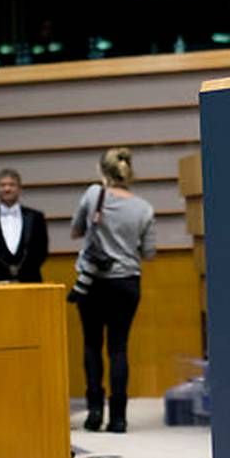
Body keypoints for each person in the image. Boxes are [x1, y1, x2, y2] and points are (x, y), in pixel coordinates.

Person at [71, 147, 156, 433]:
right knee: (119, 348)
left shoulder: (94, 195)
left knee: (91, 345)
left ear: (102, 171)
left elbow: (76, 230)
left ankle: (94, 412)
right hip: (127, 282)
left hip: (93, 282)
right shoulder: (144, 208)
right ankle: (119, 417)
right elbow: (149, 252)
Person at [0, 168, 49, 283]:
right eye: (2, 185)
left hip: (30, 281)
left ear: (19, 189)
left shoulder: (36, 217)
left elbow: (42, 250)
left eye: (12, 185)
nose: (7, 189)